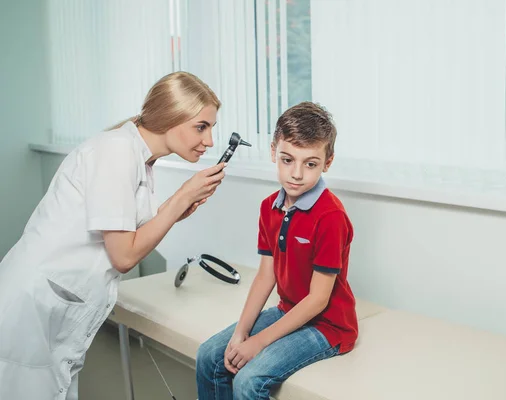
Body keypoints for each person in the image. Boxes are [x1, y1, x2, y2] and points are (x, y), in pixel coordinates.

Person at [0, 71, 226, 400]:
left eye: (211, 129)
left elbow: (128, 236)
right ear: (170, 116)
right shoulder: (117, 151)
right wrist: (179, 200)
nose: (209, 142)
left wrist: (176, 210)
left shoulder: (138, 158)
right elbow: (124, 256)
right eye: (201, 127)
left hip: (54, 307)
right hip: (32, 312)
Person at [196, 102, 359, 399]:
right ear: (273, 152)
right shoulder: (269, 207)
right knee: (209, 356)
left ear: (328, 162)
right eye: (287, 160)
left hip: (328, 326)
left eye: (310, 164)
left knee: (249, 380)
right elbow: (264, 277)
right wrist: (241, 334)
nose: (296, 174)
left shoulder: (330, 216)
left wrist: (257, 344)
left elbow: (319, 299)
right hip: (288, 310)